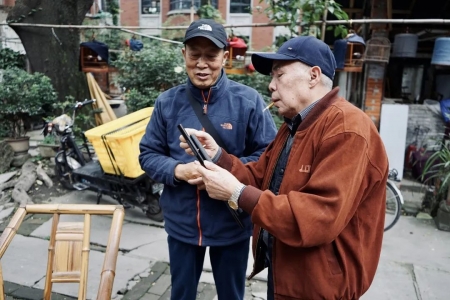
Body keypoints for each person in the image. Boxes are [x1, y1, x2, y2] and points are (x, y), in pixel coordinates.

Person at [182, 36, 389, 299]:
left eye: (279, 75)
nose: (270, 85)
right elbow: (258, 176)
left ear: (313, 76)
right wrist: (218, 155)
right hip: (286, 273)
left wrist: (236, 192)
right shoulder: (294, 125)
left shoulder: (347, 129)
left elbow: (318, 215)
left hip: (322, 285)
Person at [138, 19, 277, 300]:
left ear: (225, 57)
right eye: (194, 55)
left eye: (211, 56)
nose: (202, 64)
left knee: (231, 296)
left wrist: (225, 171)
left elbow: (267, 158)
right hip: (182, 224)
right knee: (181, 294)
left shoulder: (248, 101)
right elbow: (148, 154)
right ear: (183, 55)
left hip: (232, 222)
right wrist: (178, 170)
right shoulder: (167, 102)